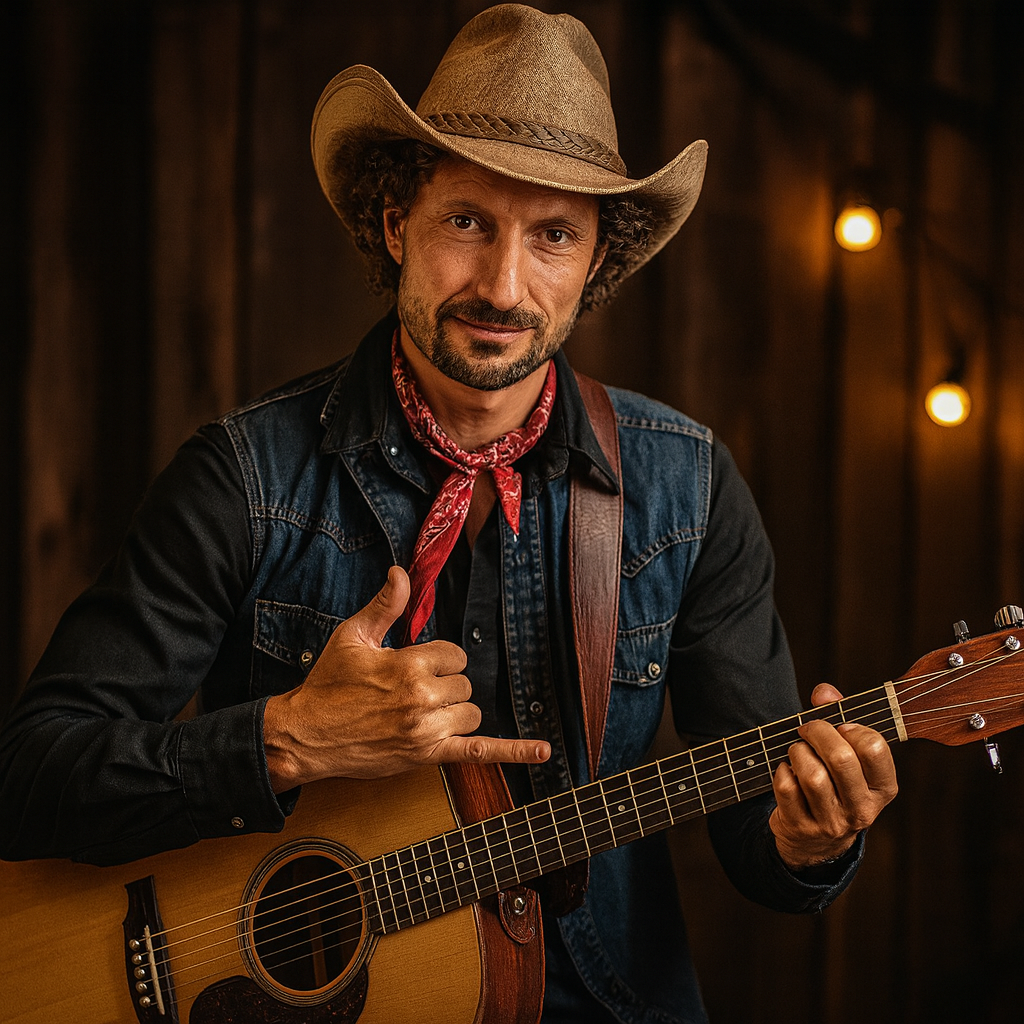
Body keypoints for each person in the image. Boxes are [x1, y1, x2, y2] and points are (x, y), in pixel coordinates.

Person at [0, 5, 897, 1022]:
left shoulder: (686, 489)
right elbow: (31, 777)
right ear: (397, 224)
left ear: (596, 261)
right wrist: (287, 739)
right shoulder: (242, 477)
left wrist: (807, 840)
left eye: (553, 235)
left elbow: (760, 845)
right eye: (467, 221)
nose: (503, 286)